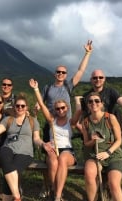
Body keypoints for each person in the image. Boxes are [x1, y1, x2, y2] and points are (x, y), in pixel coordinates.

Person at [36, 40, 93, 198]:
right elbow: (40, 101)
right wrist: (36, 107)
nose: (61, 74)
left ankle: (55, 190)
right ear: (55, 74)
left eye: (63, 72)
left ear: (66, 75)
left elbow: (81, 71)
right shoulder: (47, 88)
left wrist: (87, 53)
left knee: (61, 157)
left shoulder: (68, 86)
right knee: (49, 157)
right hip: (51, 125)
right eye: (58, 72)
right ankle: (47, 186)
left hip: (67, 125)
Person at [29, 79, 76, 201]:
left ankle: (56, 196)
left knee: (62, 158)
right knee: (53, 160)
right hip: (52, 148)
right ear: (55, 110)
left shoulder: (71, 122)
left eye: (63, 108)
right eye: (58, 109)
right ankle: (56, 192)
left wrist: (78, 102)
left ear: (67, 108)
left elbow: (80, 113)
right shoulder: (52, 121)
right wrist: (36, 89)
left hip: (67, 151)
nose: (61, 110)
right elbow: (42, 104)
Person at [79, 92, 122, 201]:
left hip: (114, 155)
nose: (93, 103)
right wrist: (92, 140)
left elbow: (119, 140)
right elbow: (86, 143)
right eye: (90, 101)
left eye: (96, 101)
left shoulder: (110, 118)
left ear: (101, 104)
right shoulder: (85, 122)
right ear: (87, 105)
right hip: (95, 155)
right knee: (89, 175)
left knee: (113, 183)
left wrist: (108, 153)